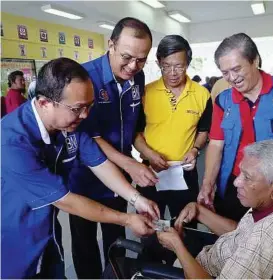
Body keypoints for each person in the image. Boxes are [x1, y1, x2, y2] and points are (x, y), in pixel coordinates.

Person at [1, 58, 159, 279]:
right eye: (77, 108)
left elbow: (99, 163)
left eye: (89, 106)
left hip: (47, 233)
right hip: (12, 240)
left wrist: (136, 199)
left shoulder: (69, 124)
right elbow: (65, 200)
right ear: (45, 103)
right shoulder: (12, 142)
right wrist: (127, 219)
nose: (85, 115)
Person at [68, 17, 158, 278]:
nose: (133, 66)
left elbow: (132, 127)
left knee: (116, 238)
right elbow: (87, 136)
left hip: (118, 179)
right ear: (111, 45)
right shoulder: (84, 79)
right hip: (83, 177)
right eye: (127, 57)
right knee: (84, 243)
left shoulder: (137, 79)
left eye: (141, 60)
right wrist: (128, 162)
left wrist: (142, 157)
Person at [157, 139, 273, 279]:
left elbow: (254, 240)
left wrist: (177, 247)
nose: (236, 182)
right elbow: (240, 231)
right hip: (217, 253)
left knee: (152, 249)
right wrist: (199, 211)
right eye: (240, 172)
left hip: (206, 272)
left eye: (247, 177)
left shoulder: (261, 240)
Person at [198, 33, 273, 221]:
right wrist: (207, 183)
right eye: (225, 73)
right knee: (230, 238)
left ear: (255, 60)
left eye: (236, 69)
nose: (232, 78)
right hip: (236, 184)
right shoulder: (223, 101)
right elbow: (216, 145)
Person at [134, 35, 212, 263]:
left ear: (188, 63)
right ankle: (152, 266)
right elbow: (135, 135)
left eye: (179, 66)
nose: (172, 72)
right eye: (166, 66)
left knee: (185, 224)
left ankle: (184, 266)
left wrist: (196, 149)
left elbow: (204, 131)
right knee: (150, 223)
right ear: (158, 63)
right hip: (151, 173)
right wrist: (149, 154)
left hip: (184, 174)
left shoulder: (201, 95)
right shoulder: (146, 93)